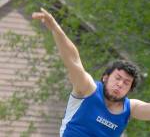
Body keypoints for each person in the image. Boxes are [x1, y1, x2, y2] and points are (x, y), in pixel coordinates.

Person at [32, 8, 150, 137]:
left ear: (129, 90)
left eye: (126, 83)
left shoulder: (130, 108)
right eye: (117, 78)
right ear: (105, 78)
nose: (120, 84)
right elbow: (73, 60)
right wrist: (55, 29)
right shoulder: (87, 88)